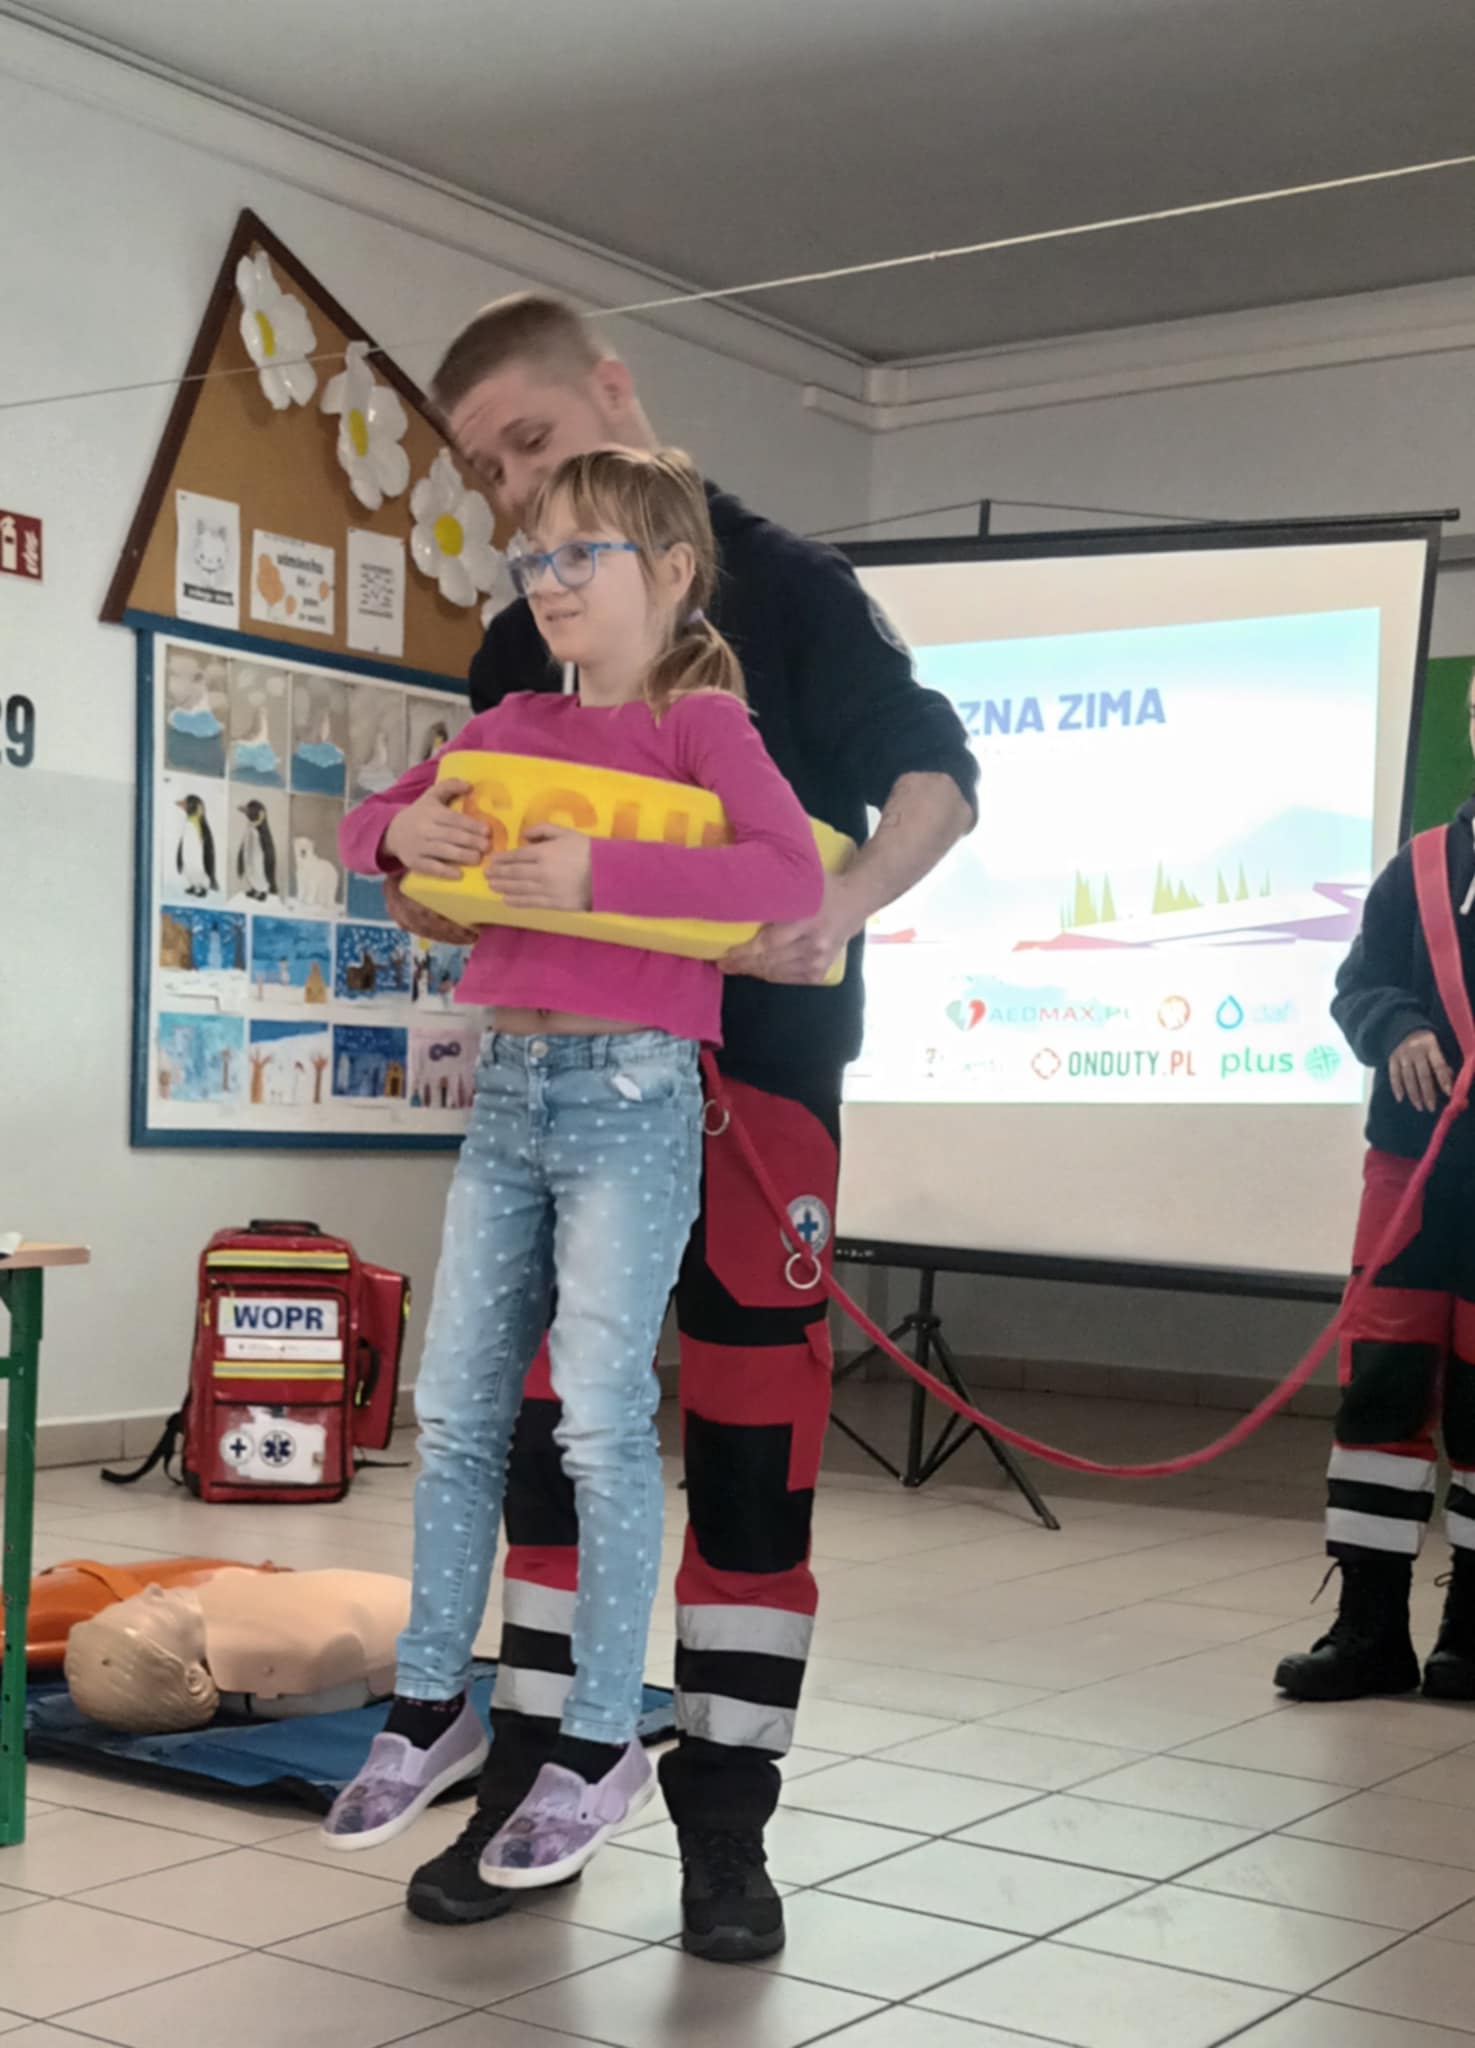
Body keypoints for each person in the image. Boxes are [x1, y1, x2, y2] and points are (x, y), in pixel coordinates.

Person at [389, 292, 978, 1960]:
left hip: (756, 1087)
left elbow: (935, 772)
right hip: (565, 1091)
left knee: (745, 1444)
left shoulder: (788, 587)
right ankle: (534, 1786)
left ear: (615, 390)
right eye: (485, 472)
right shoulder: (521, 642)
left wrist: (842, 900)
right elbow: (453, 877)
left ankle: (725, 1825)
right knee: (541, 1436)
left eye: (529, 440)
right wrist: (424, 872)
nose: (515, 491)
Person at [326, 448, 824, 1889]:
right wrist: (396, 830)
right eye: (531, 560)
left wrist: (603, 876)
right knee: (456, 1410)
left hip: (629, 1094)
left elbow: (783, 876)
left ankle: (602, 1739)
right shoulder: (510, 721)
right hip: (509, 1092)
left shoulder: (698, 720)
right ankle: (432, 1702)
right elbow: (372, 824)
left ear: (669, 572)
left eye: (578, 555)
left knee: (599, 1422)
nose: (546, 585)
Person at [1276, 679, 1475, 1705]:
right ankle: (1367, 1631)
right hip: (1408, 1171)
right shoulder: (1422, 866)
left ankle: (1472, 1633)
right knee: (1377, 1396)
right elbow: (1355, 983)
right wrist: (1394, 1026)